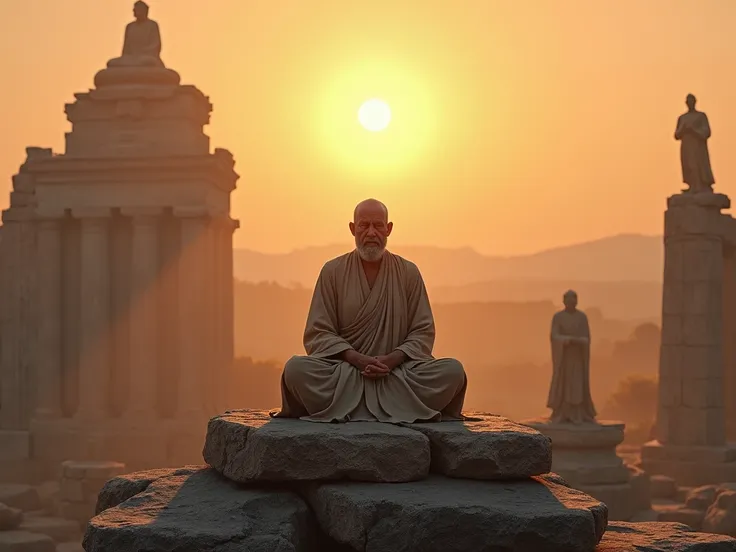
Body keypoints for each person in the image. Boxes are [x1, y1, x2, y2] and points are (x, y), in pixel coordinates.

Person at [273, 199, 467, 423]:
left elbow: (422, 332)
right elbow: (318, 333)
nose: (371, 233)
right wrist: (356, 359)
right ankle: (394, 408)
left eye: (378, 225)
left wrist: (392, 360)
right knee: (296, 369)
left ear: (389, 229)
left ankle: (354, 408)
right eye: (364, 226)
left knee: (453, 371)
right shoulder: (332, 271)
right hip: (345, 374)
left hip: (398, 374)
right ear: (352, 229)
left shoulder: (408, 272)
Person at [547, 290, 597, 424]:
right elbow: (554, 336)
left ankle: (578, 412)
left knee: (577, 383)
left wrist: (580, 341)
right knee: (564, 383)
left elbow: (586, 338)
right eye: (568, 301)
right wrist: (567, 340)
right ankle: (562, 411)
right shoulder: (558, 317)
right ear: (564, 302)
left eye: (573, 301)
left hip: (577, 357)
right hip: (564, 358)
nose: (570, 304)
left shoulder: (582, 317)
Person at [674, 93, 715, 193]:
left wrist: (694, 130)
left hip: (697, 146)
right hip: (686, 146)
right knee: (688, 165)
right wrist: (684, 129)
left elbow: (707, 132)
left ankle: (700, 185)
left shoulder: (701, 116)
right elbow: (676, 135)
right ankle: (692, 185)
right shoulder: (682, 118)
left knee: (697, 164)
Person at [108, 1, 163, 68]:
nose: (134, 11)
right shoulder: (130, 26)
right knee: (111, 63)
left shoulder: (152, 25)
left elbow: (155, 45)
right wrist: (127, 56)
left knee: (148, 62)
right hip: (131, 58)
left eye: (137, 9)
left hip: (146, 57)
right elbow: (126, 47)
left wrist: (142, 52)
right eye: (134, 10)